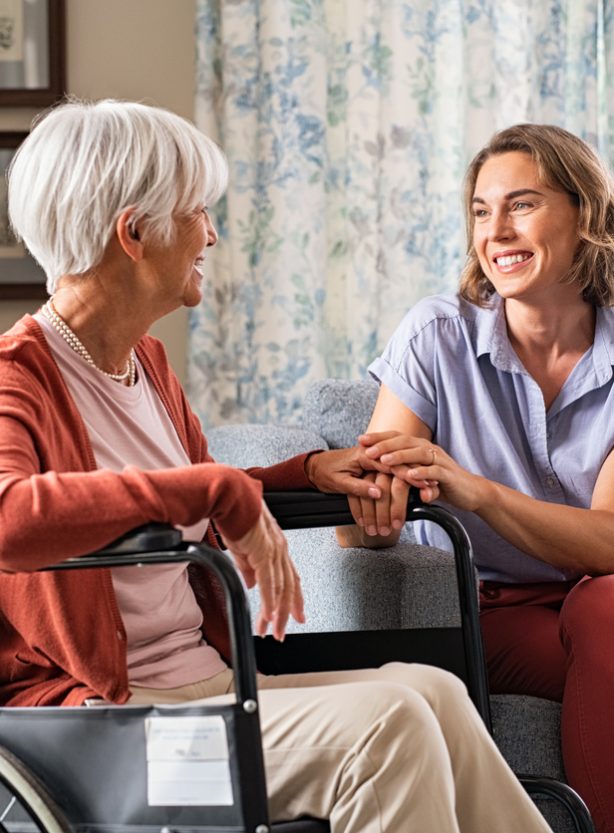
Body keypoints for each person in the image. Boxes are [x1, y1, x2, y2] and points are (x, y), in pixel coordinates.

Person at [0, 99, 553, 833]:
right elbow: (13, 516)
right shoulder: (18, 375)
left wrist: (312, 470)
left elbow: (179, 500)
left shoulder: (147, 366)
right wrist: (216, 483)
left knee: (434, 692)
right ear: (133, 232)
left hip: (203, 691)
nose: (213, 233)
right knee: (389, 726)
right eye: (198, 212)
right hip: (110, 736)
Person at [348, 122, 614, 833]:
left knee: (605, 603)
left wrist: (473, 488)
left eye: (521, 205)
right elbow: (370, 498)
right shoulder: (436, 336)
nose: (496, 230)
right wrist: (377, 501)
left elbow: (608, 543)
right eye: (480, 210)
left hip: (593, 603)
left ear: (584, 213)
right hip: (488, 607)